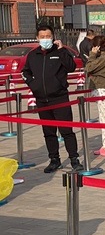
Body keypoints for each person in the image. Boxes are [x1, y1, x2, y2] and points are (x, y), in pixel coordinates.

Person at [21, 25, 84, 173]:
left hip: (59, 98)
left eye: (48, 36)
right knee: (49, 132)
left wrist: (62, 50)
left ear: (53, 37)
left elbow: (71, 67)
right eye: (42, 37)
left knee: (66, 131)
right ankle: (54, 159)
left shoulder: (60, 52)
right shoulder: (33, 55)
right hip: (42, 99)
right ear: (37, 38)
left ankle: (74, 159)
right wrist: (33, 84)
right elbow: (25, 72)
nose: (45, 39)